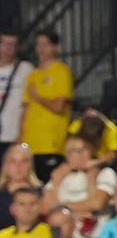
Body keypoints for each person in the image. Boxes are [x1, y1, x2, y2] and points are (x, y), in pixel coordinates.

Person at [19, 31, 74, 178]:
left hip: (51, 144)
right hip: (30, 145)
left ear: (57, 47)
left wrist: (38, 97)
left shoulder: (62, 72)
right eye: (38, 44)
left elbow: (59, 106)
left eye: (46, 44)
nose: (41, 49)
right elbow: (26, 109)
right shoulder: (32, 75)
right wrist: (21, 137)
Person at [0, 30, 32, 157]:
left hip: (14, 136)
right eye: (4, 44)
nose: (8, 49)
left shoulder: (26, 69)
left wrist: (22, 134)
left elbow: (29, 104)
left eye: (12, 45)